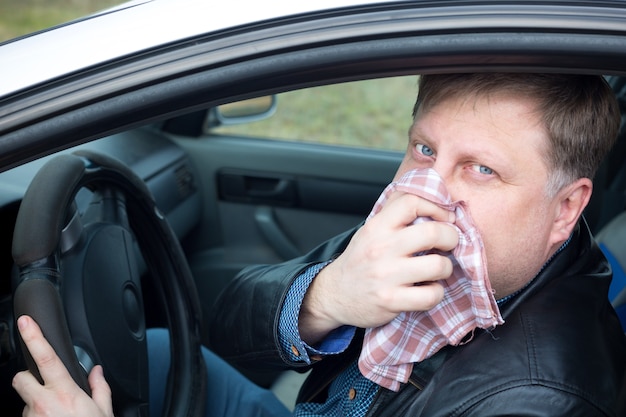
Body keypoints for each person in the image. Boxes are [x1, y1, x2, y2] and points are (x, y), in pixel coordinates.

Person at [12, 73, 626, 416]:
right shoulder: (415, 233)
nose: (430, 192)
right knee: (162, 354)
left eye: (482, 170)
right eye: (426, 149)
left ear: (566, 208)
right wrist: (328, 297)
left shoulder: (538, 403)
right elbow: (226, 322)